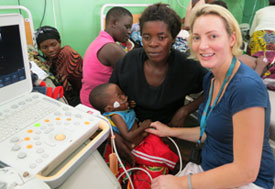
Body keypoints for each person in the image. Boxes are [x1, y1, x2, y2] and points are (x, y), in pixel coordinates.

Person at [146, 4, 275, 189]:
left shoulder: (246, 88)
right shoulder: (211, 78)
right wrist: (169, 131)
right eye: (197, 37)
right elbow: (211, 131)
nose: (202, 45)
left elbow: (245, 171)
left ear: (232, 39)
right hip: (210, 169)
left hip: (246, 182)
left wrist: (181, 182)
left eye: (213, 36)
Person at [109, 3, 208, 165]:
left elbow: (215, 87)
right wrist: (115, 136)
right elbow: (108, 101)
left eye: (161, 37)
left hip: (168, 132)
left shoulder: (186, 67)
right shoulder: (129, 62)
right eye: (146, 37)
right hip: (131, 131)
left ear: (174, 38)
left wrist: (186, 110)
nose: (153, 44)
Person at [89, 83, 179, 188]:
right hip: (134, 146)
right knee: (159, 155)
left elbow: (128, 114)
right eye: (120, 96)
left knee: (162, 144)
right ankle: (175, 167)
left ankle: (174, 163)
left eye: (122, 93)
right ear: (109, 109)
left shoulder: (120, 109)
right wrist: (143, 127)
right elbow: (128, 136)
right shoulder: (116, 117)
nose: (124, 97)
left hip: (143, 137)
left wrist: (128, 105)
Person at [80, 7, 133, 108]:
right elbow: (133, 77)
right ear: (114, 23)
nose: (130, 31)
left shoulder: (99, 41)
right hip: (99, 105)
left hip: (86, 98)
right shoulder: (112, 48)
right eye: (127, 27)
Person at [35, 26, 83, 106]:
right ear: (39, 49)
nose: (50, 49)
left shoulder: (67, 53)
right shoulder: (52, 58)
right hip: (76, 91)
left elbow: (60, 81)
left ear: (59, 42)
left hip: (84, 93)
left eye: (53, 45)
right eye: (45, 47)